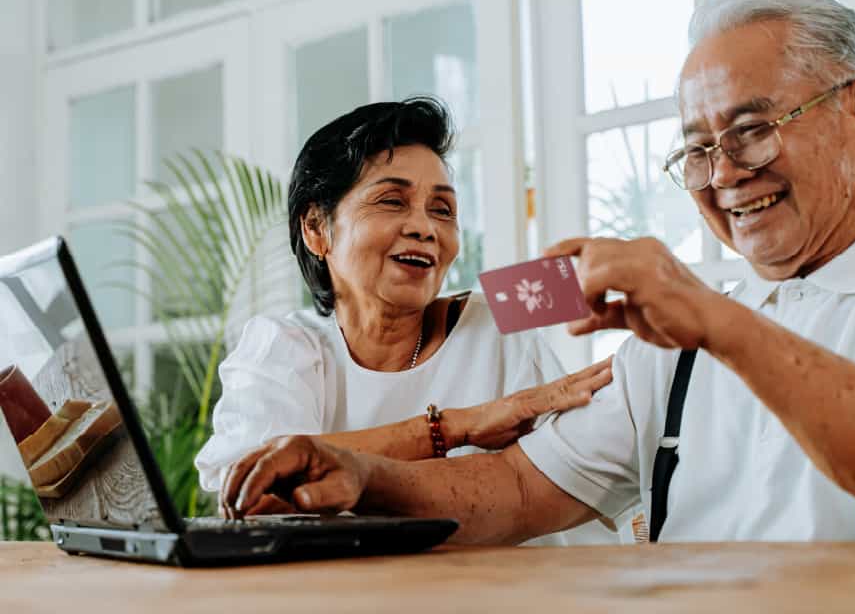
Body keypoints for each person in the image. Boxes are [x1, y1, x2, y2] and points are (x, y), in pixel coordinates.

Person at [218, 0, 855, 544]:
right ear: (316, 231)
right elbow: (513, 483)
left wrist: (713, 318)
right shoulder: (285, 344)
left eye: (753, 130)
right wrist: (373, 476)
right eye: (699, 149)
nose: (725, 173)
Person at [194, 97, 619, 545]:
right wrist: (454, 426)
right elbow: (257, 491)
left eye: (442, 210)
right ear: (317, 229)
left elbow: (575, 484)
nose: (424, 228)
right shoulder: (283, 345)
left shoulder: (495, 324)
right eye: (392, 201)